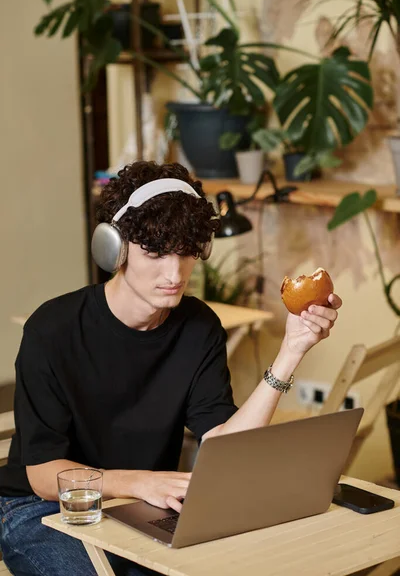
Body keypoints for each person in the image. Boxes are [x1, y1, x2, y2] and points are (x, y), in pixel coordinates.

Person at [0, 161, 342, 576]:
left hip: (140, 507)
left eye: (185, 253)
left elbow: (224, 445)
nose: (174, 273)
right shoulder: (52, 330)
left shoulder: (199, 328)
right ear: (116, 248)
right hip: (40, 509)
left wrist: (292, 351)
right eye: (156, 253)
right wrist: (142, 482)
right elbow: (41, 474)